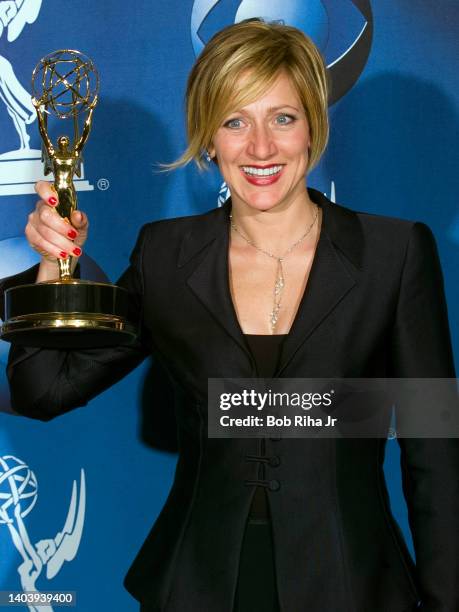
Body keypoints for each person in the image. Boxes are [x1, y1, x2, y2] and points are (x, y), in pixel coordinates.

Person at [1, 19, 458, 612]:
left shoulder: (394, 256)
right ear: (208, 135)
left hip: (352, 587)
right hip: (195, 586)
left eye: (283, 118)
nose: (260, 147)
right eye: (235, 120)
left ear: (314, 128)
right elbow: (43, 392)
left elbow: (436, 456)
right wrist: (50, 267)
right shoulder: (167, 255)